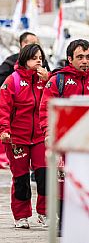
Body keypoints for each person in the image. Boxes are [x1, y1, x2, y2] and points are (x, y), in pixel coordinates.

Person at [0, 44, 49, 229]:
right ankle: (21, 215)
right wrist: (4, 129)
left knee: (45, 175)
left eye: (40, 58)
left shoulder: (46, 80)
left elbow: (54, 101)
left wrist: (48, 80)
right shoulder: (13, 81)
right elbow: (3, 107)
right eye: (34, 58)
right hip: (17, 137)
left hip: (41, 136)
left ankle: (45, 213)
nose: (39, 61)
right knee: (21, 178)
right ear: (25, 60)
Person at [39, 39, 89, 233]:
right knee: (62, 182)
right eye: (80, 57)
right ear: (70, 59)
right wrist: (49, 133)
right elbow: (45, 109)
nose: (85, 61)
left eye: (87, 57)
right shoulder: (57, 80)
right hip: (65, 143)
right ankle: (63, 221)